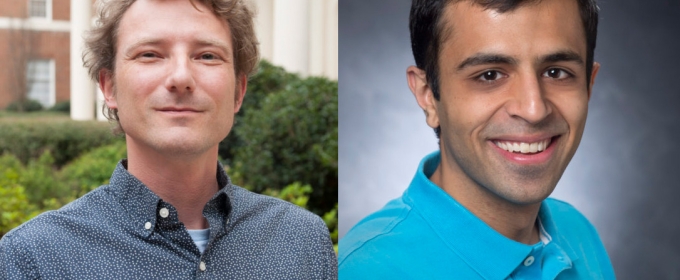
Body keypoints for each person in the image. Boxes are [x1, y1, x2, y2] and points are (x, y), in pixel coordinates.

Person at [0, 0, 337, 279]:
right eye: (150, 54)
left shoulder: (302, 240)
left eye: (207, 56)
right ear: (109, 87)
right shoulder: (34, 259)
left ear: (239, 91)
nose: (180, 77)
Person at [339, 0, 615, 278]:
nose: (534, 110)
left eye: (556, 72)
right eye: (489, 75)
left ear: (589, 85)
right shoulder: (366, 270)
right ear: (427, 96)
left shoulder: (578, 231)